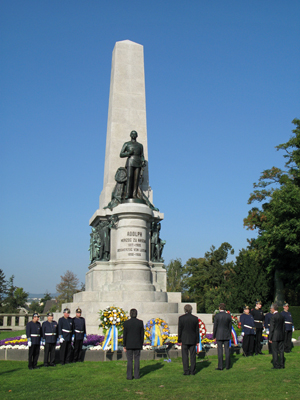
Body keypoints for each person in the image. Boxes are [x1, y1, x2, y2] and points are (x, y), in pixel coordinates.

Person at [120, 130, 145, 199]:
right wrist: (128, 153)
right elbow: (121, 154)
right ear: (130, 135)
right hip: (130, 161)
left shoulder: (140, 145)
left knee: (136, 179)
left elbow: (142, 155)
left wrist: (143, 160)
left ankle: (134, 194)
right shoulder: (127, 144)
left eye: (135, 134)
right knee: (130, 177)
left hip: (138, 162)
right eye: (132, 134)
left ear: (137, 136)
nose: (133, 135)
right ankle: (128, 194)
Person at [178, 304, 199, 375]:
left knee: (185, 356)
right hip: (193, 339)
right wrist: (197, 341)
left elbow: (180, 330)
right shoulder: (195, 318)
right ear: (191, 310)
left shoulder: (181, 318)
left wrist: (179, 340)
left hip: (184, 339)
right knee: (193, 355)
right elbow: (197, 331)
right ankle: (193, 371)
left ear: (185, 310)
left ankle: (186, 370)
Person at [123, 308, 144, 380]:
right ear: (136, 314)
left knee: (129, 360)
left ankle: (129, 376)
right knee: (137, 359)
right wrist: (141, 344)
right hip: (137, 344)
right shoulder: (140, 322)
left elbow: (124, 335)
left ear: (130, 314)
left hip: (129, 344)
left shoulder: (126, 323)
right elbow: (142, 335)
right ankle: (137, 375)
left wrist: (124, 345)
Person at [213, 303, 232, 370]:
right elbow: (230, 327)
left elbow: (215, 326)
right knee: (227, 350)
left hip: (219, 334)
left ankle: (220, 366)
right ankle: (227, 365)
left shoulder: (217, 316)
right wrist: (229, 334)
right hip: (226, 334)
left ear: (219, 308)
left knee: (220, 350)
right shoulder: (228, 316)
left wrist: (214, 335)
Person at [269, 303, 285, 369]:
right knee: (281, 350)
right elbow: (283, 327)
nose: (270, 309)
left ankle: (276, 365)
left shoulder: (273, 317)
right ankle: (282, 364)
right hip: (281, 335)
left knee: (275, 351)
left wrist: (270, 338)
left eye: (270, 308)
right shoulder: (281, 316)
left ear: (273, 309)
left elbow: (272, 328)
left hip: (275, 336)